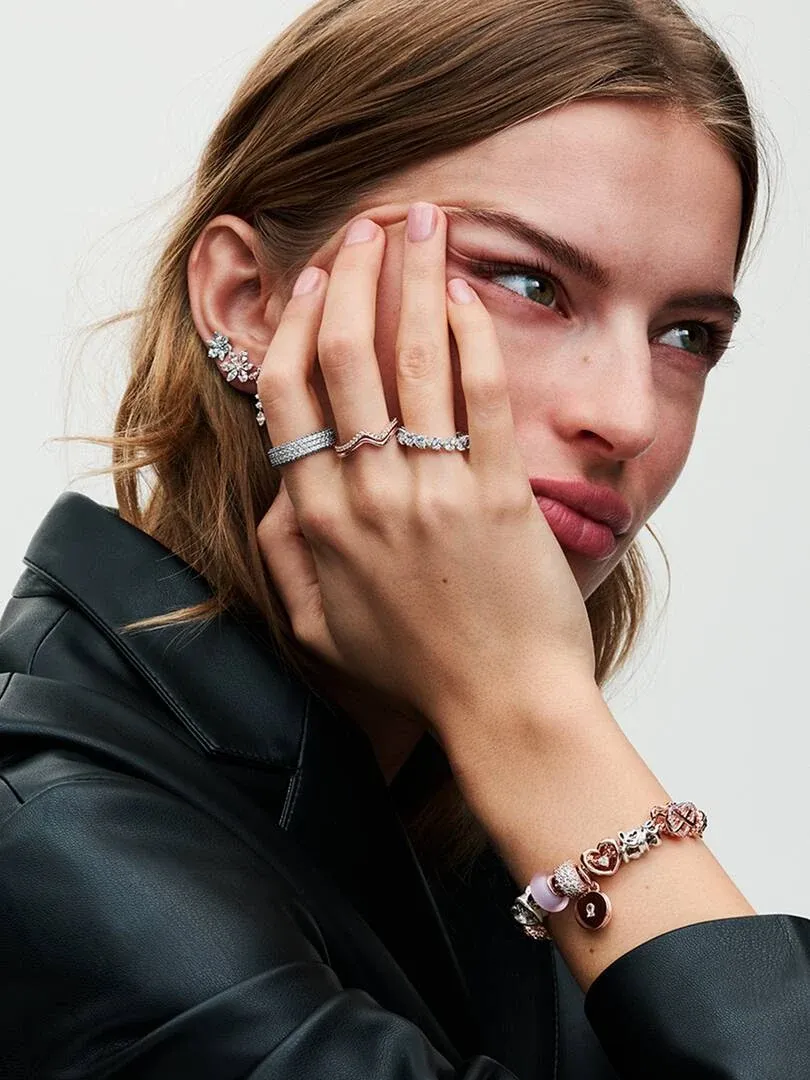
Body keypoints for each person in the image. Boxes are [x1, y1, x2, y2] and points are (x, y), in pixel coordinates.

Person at [1, 0, 808, 1076]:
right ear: (248, 300)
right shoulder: (52, 848)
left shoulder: (459, 815)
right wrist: (528, 710)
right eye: (529, 282)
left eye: (686, 335)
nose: (630, 415)